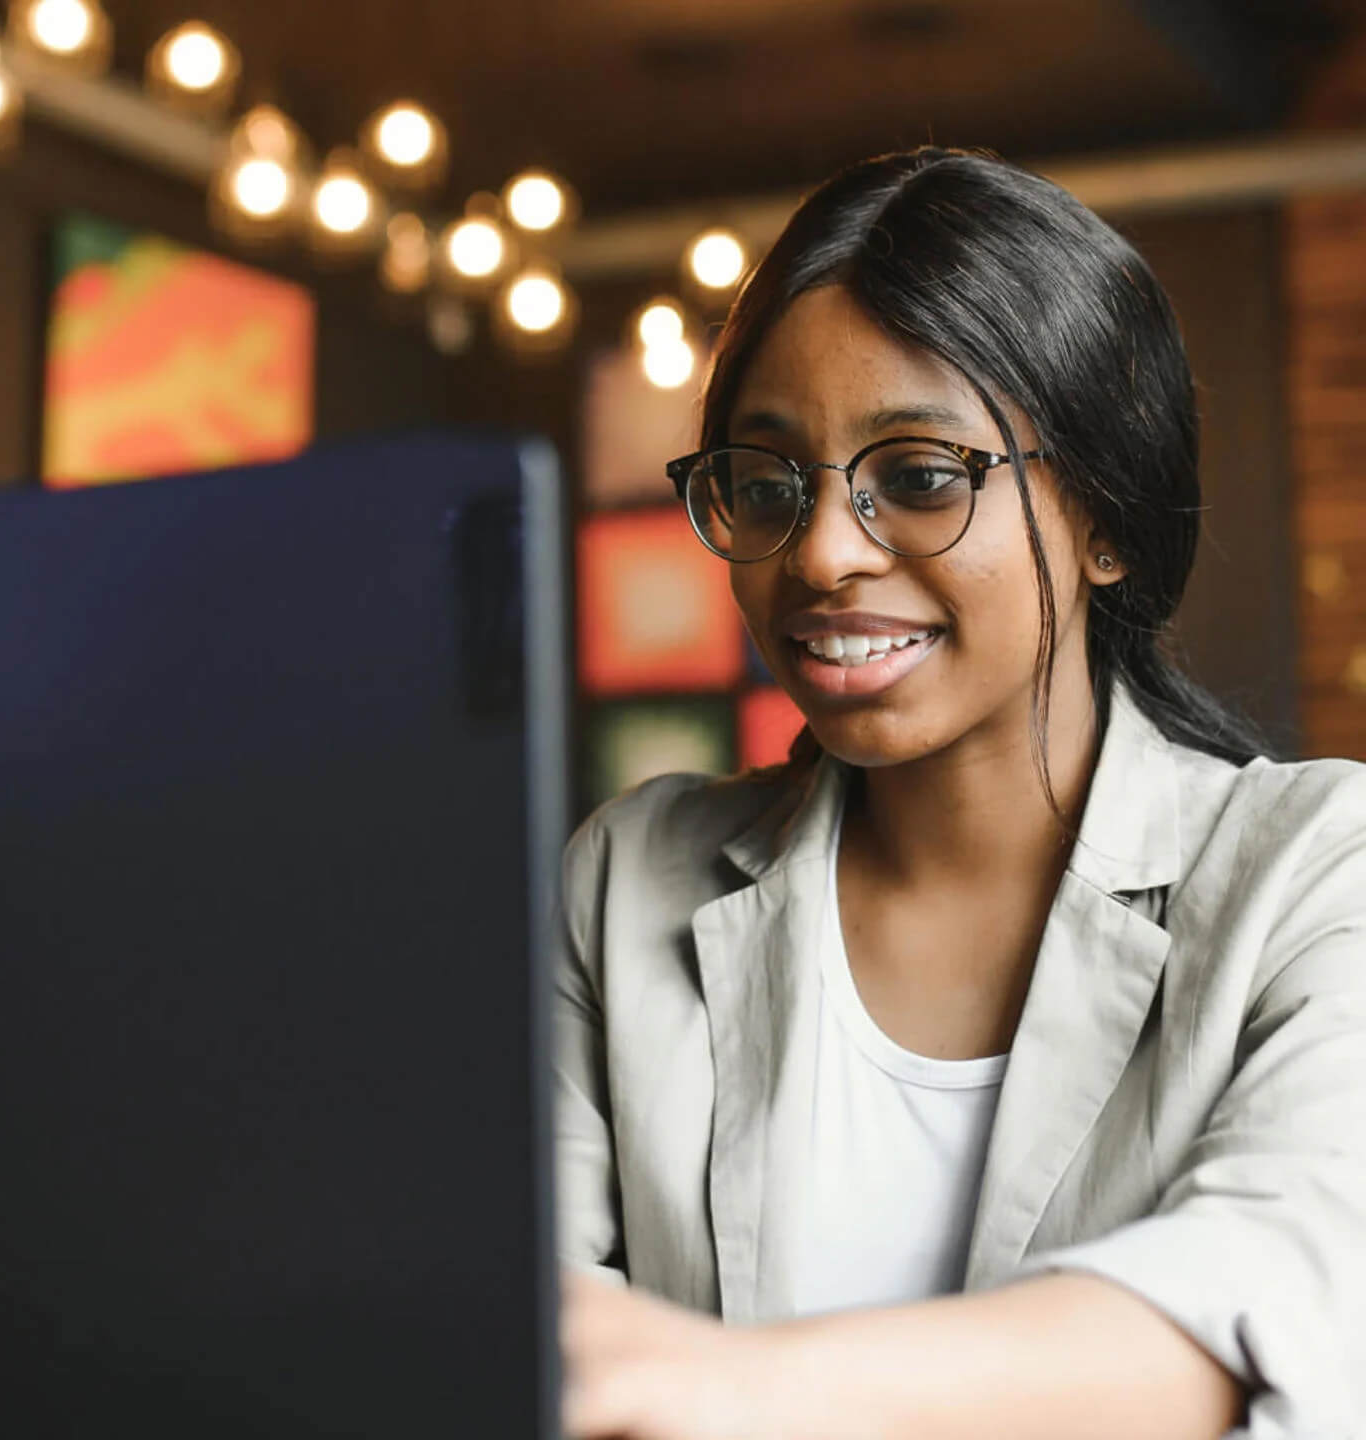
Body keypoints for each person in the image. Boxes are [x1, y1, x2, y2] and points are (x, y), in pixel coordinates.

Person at [554, 146, 1366, 1439]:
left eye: (922, 478)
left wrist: (728, 1387)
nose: (821, 554)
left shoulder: (1318, 869)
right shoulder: (628, 875)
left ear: (1107, 517)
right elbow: (513, 1318)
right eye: (768, 485)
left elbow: (1286, 1292)